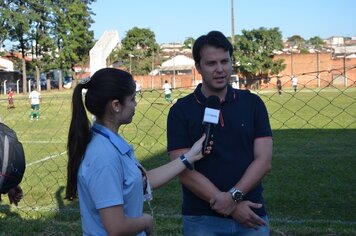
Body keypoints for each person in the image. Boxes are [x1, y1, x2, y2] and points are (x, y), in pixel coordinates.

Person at [65, 68, 211, 236]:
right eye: (132, 99)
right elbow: (116, 227)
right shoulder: (104, 156)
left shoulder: (109, 143)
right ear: (116, 105)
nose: (135, 104)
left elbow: (143, 179)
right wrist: (146, 221)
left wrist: (190, 156)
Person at [167, 31, 273, 235]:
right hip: (202, 219)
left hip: (251, 215)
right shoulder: (180, 110)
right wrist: (232, 207)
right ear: (198, 67)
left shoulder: (253, 104)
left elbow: (264, 160)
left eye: (225, 61)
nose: (219, 69)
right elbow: (182, 169)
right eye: (211, 63)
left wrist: (233, 197)